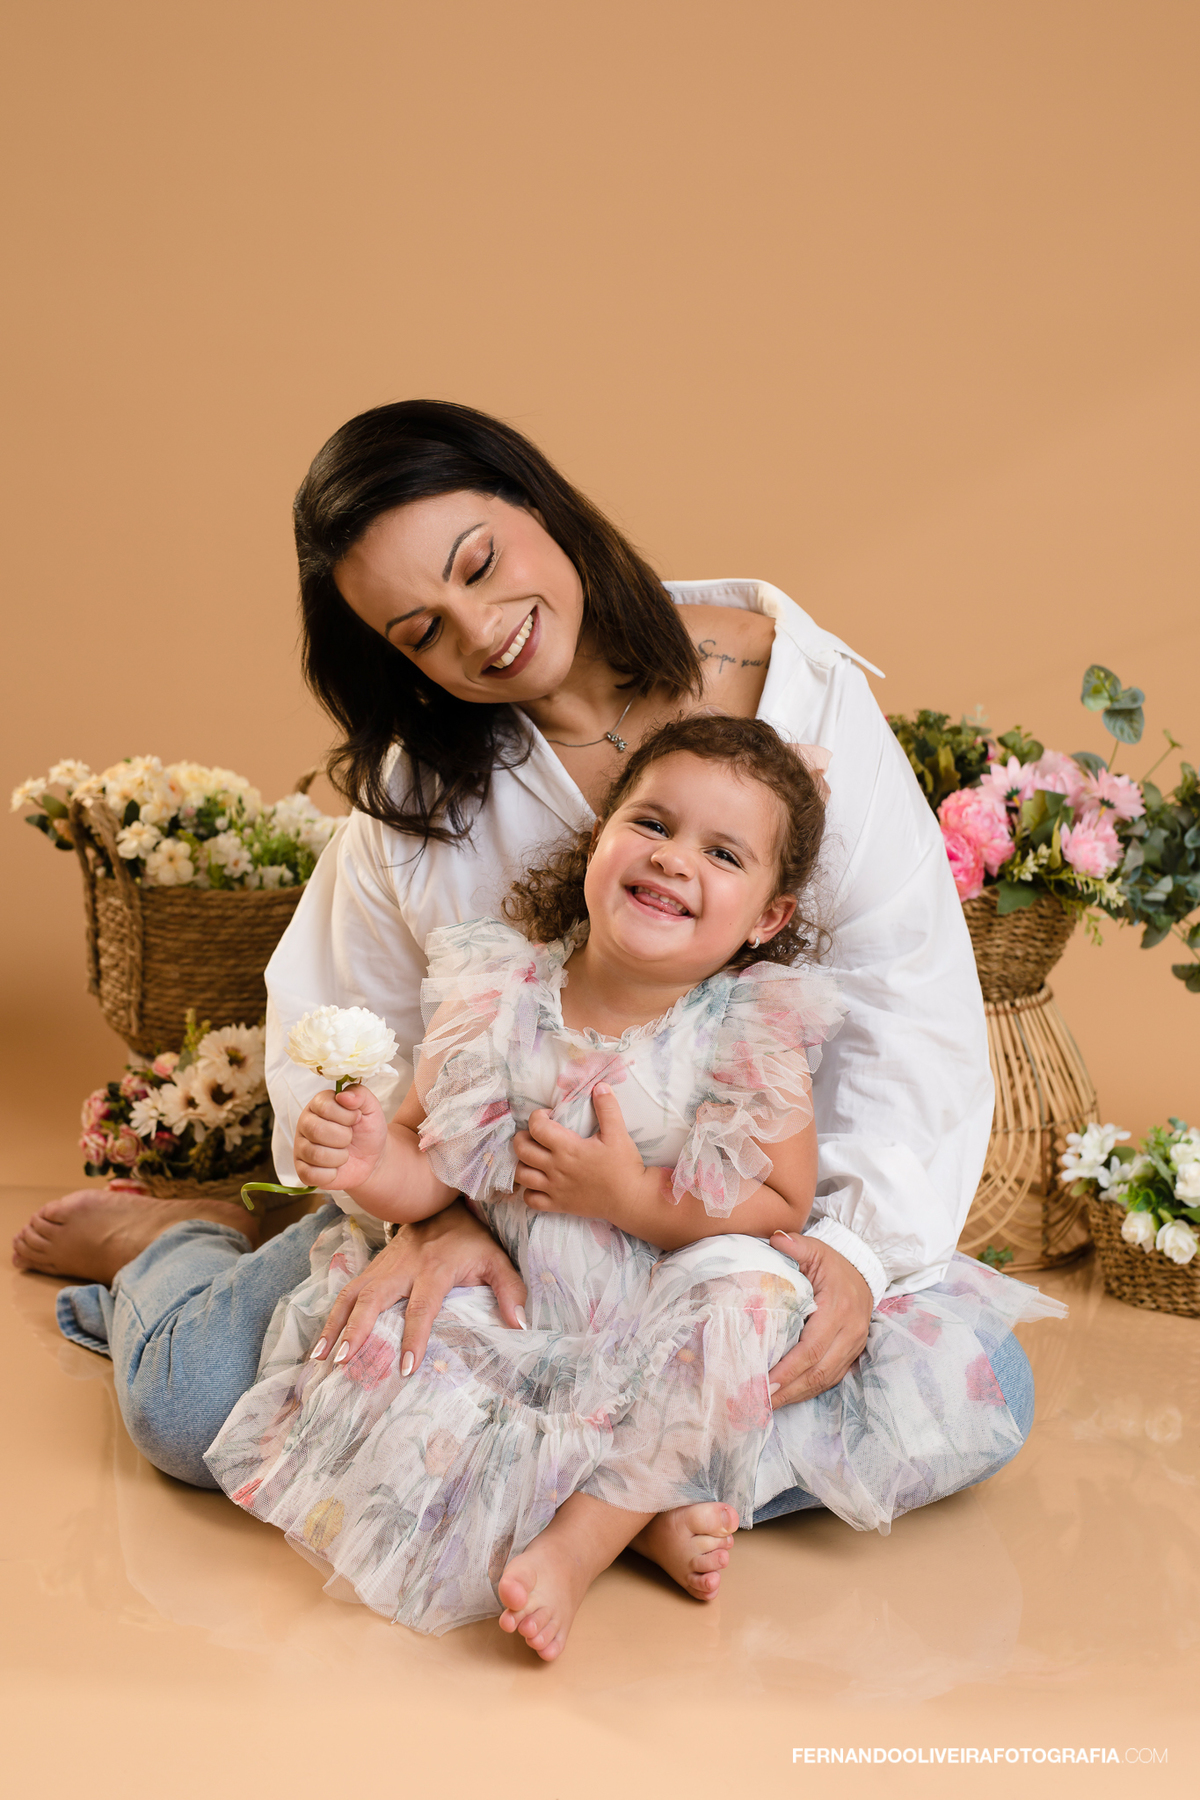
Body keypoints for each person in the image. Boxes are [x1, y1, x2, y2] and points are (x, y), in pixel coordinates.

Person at [16, 399, 1033, 1595]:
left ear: (539, 501)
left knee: (980, 1398)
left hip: (718, 1252)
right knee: (191, 1408)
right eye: (422, 630)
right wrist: (430, 1219)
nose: (483, 632)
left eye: (481, 564)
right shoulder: (423, 792)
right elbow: (344, 1026)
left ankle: (590, 1488)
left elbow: (901, 994)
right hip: (503, 1259)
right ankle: (176, 1248)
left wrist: (853, 1254)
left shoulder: (789, 692)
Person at [204, 717, 1061, 1658]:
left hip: (670, 1315)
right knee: (403, 1355)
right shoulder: (492, 997)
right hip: (525, 1315)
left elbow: (781, 1202)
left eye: (724, 852)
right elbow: (424, 1163)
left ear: (766, 917)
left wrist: (632, 1200)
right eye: (651, 825)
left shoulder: (747, 1029)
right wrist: (371, 1164)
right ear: (600, 838)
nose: (674, 859)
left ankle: (577, 1541)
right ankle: (646, 1501)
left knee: (756, 1290)